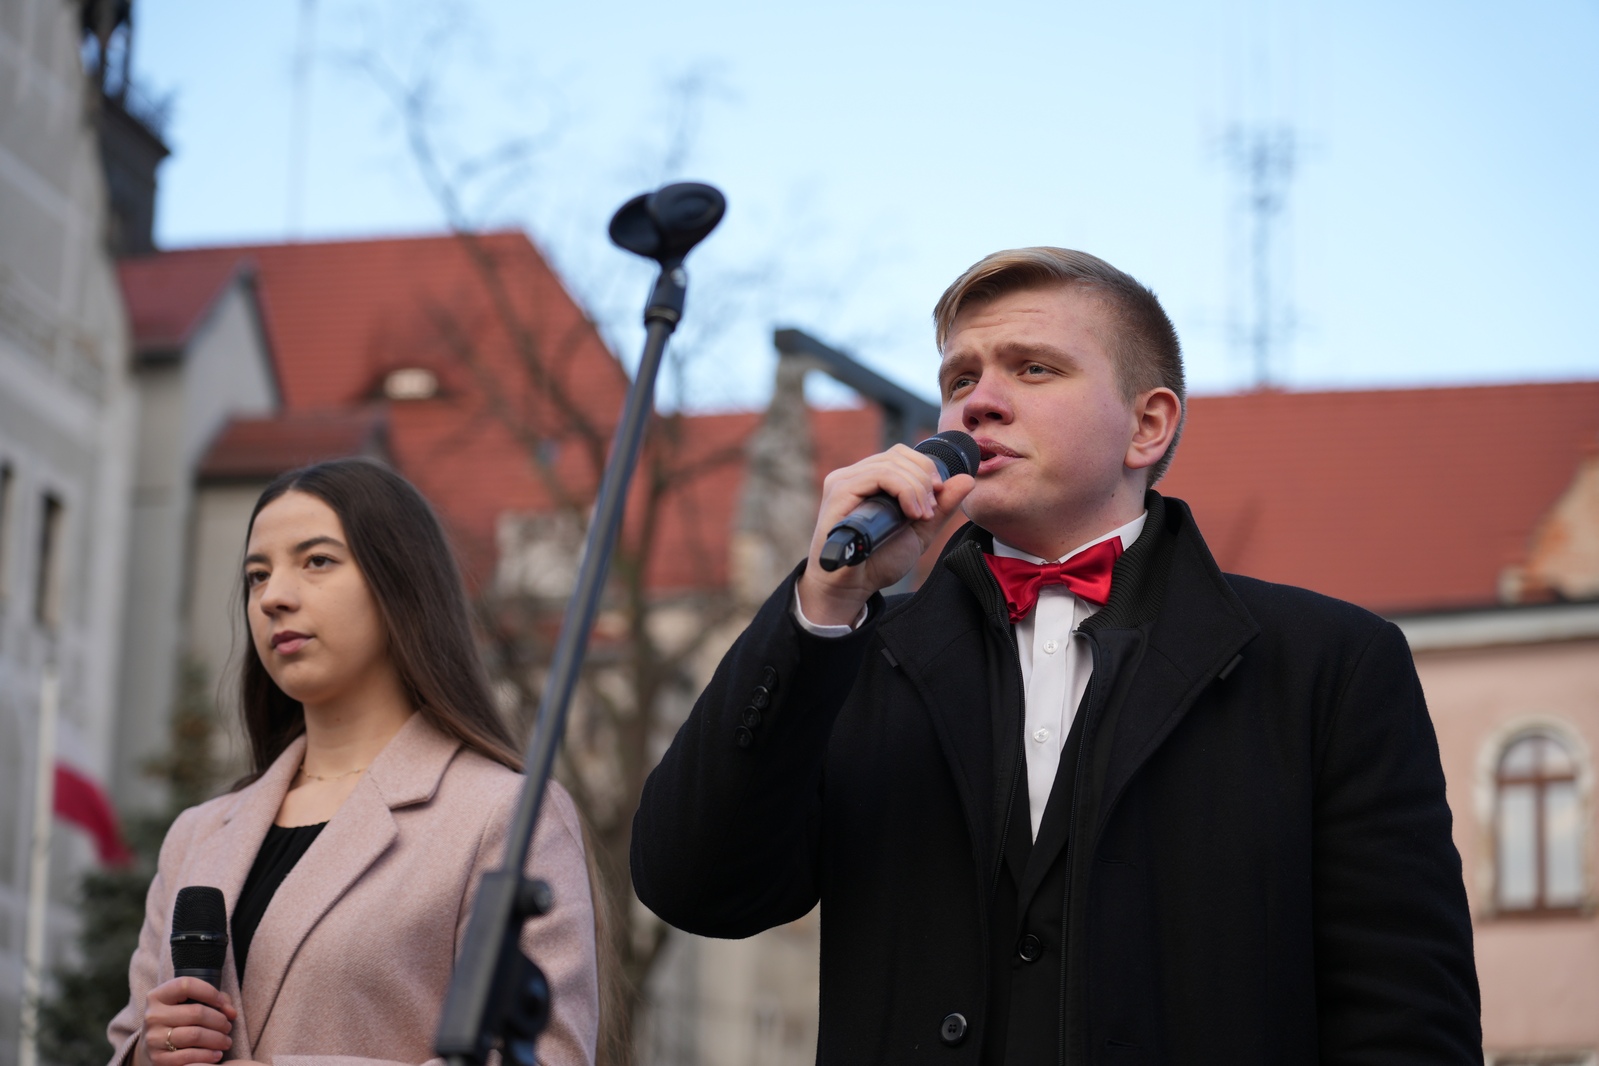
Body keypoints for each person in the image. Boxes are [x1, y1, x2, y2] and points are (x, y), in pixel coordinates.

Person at [631, 248, 1481, 1063]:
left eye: (1032, 369)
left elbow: (1404, 1020)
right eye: (959, 379)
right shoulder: (858, 661)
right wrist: (822, 606)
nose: (978, 403)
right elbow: (694, 885)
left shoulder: (1327, 666)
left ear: (1146, 426)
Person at [108, 459, 598, 1066]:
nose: (274, 598)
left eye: (317, 561)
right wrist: (150, 1052)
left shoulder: (505, 816)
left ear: (401, 584)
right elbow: (127, 1039)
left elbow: (546, 1056)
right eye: (257, 576)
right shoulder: (196, 837)